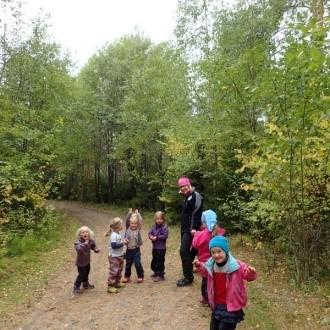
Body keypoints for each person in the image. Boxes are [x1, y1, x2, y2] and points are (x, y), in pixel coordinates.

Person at [195, 236, 257, 330]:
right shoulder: (211, 264)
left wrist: (251, 273)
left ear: (226, 250)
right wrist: (199, 266)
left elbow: (248, 276)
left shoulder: (236, 265)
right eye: (213, 252)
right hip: (216, 305)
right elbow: (204, 272)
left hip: (230, 307)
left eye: (219, 251)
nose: (216, 255)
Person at [192, 209, 226, 305]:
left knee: (206, 282)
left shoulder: (204, 234)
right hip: (218, 262)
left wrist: (196, 234)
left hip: (205, 264)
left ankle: (207, 299)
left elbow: (195, 244)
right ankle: (216, 298)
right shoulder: (220, 232)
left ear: (205, 222)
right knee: (216, 281)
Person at [176, 176, 203, 287]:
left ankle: (188, 277)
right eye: (181, 186)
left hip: (191, 229)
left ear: (189, 184)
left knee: (183, 251)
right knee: (190, 250)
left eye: (184, 185)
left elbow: (196, 212)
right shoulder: (188, 196)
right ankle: (189, 268)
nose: (182, 188)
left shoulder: (196, 196)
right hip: (185, 228)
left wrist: (194, 228)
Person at [73, 226, 100, 294]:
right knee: (81, 274)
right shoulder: (78, 242)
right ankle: (76, 286)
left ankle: (85, 284)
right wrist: (85, 244)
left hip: (87, 262)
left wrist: (95, 249)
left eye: (87, 232)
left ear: (89, 233)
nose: (85, 233)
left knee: (87, 273)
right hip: (80, 263)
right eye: (83, 232)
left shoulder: (90, 240)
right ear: (80, 235)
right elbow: (78, 249)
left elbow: (93, 245)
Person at [122, 213, 144, 283]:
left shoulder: (138, 229)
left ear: (137, 224)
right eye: (132, 223)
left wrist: (138, 214)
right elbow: (127, 220)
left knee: (137, 263)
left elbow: (140, 220)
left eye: (135, 223)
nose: (133, 225)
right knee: (128, 264)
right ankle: (127, 276)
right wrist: (129, 213)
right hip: (129, 250)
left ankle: (140, 276)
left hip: (136, 250)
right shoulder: (128, 230)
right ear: (130, 223)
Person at [106, 217, 126, 294]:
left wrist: (123, 242)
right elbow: (114, 246)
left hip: (119, 255)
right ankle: (110, 286)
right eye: (121, 224)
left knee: (119, 269)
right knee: (114, 271)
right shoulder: (113, 235)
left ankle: (117, 282)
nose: (122, 225)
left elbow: (119, 244)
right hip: (114, 256)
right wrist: (122, 243)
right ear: (117, 226)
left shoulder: (118, 234)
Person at [148, 211, 169, 282]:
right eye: (157, 219)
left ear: (163, 219)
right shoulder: (153, 226)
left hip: (161, 248)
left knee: (160, 261)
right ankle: (156, 272)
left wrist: (156, 237)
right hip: (155, 247)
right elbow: (150, 233)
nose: (159, 220)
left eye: (161, 219)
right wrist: (150, 236)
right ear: (155, 219)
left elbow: (165, 236)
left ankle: (160, 275)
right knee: (155, 259)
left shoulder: (165, 227)